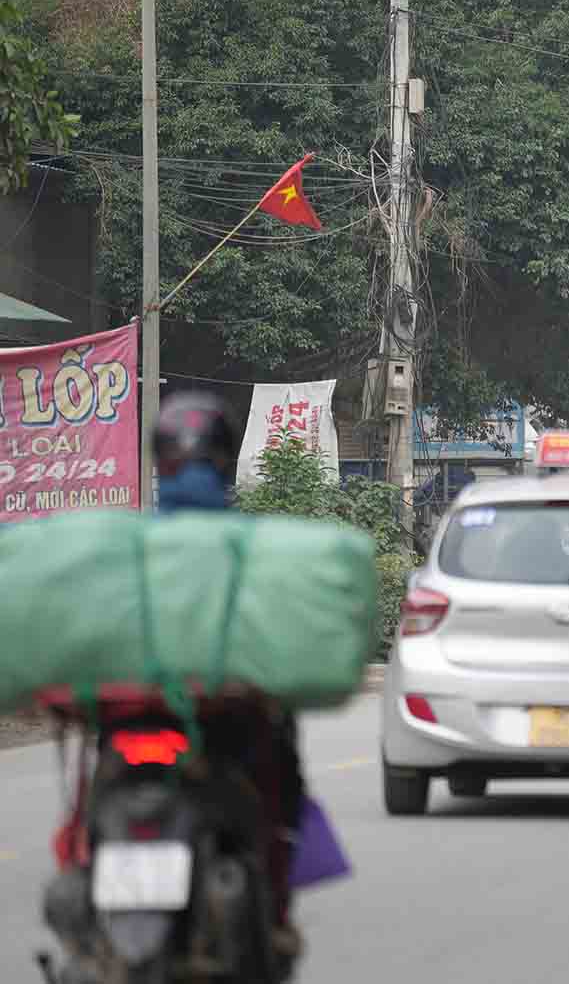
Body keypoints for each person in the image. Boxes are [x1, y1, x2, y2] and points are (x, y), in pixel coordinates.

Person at [154, 392, 307, 961]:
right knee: (282, 774)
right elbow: (278, 630)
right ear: (224, 460)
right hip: (226, 719)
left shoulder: (128, 543)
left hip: (131, 715)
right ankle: (280, 913)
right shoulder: (251, 547)